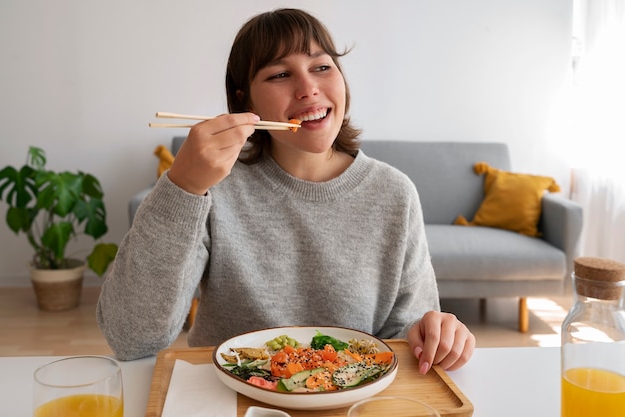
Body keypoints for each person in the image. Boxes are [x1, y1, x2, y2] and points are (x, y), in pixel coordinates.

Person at [97, 8, 475, 373]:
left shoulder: (395, 193)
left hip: (350, 397)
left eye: (322, 67)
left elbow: (406, 335)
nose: (308, 88)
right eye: (279, 74)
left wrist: (435, 335)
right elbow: (132, 338)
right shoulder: (215, 189)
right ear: (245, 100)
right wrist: (182, 187)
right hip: (230, 395)